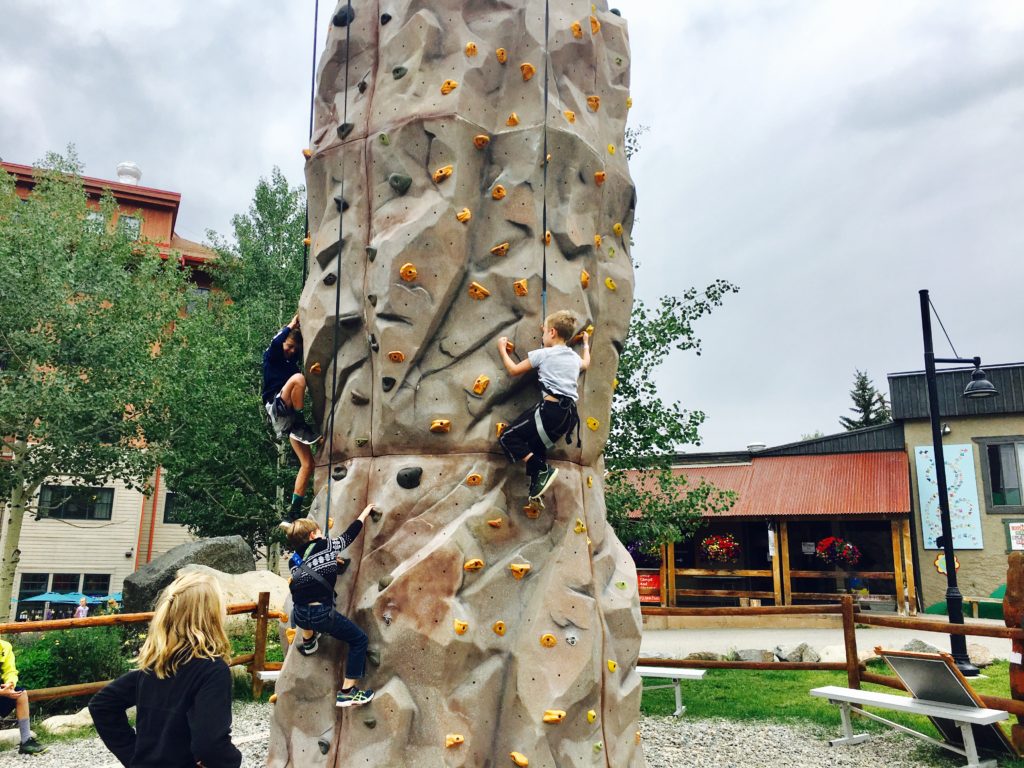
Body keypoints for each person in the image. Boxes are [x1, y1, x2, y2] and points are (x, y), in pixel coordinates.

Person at [89, 571, 242, 768]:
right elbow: (210, 743)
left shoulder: (154, 665)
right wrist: (232, 760)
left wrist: (134, 756)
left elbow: (102, 704)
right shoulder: (211, 670)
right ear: (212, 614)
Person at [286, 504, 378, 708]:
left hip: (299, 614)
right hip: (322, 615)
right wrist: (364, 512)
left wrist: (331, 562)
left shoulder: (294, 560)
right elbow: (349, 535)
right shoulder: (327, 546)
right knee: (359, 640)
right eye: (318, 531)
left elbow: (311, 572)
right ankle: (348, 692)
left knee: (304, 608)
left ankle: (309, 642)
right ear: (312, 535)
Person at [496, 310, 589, 500]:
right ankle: (537, 486)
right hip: (567, 418)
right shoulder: (573, 358)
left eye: (544, 332)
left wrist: (501, 349)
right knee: (535, 444)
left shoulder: (543, 354)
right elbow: (586, 363)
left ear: (552, 333)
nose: (542, 335)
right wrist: (586, 344)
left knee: (508, 437)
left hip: (550, 411)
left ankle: (541, 469)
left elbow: (514, 370)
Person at [262, 313, 320, 524]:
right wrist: (291, 325)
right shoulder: (272, 356)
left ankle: (293, 511)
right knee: (298, 379)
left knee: (308, 463)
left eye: (295, 348)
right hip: (276, 406)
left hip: (288, 419)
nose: (290, 350)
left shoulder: (291, 365)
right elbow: (277, 342)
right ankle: (301, 422)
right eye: (288, 346)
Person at [0, 638, 47, 754]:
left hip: (2, 689)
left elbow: (10, 672)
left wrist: (10, 685)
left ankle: (26, 742)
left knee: (21, 694)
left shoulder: (4, 646)